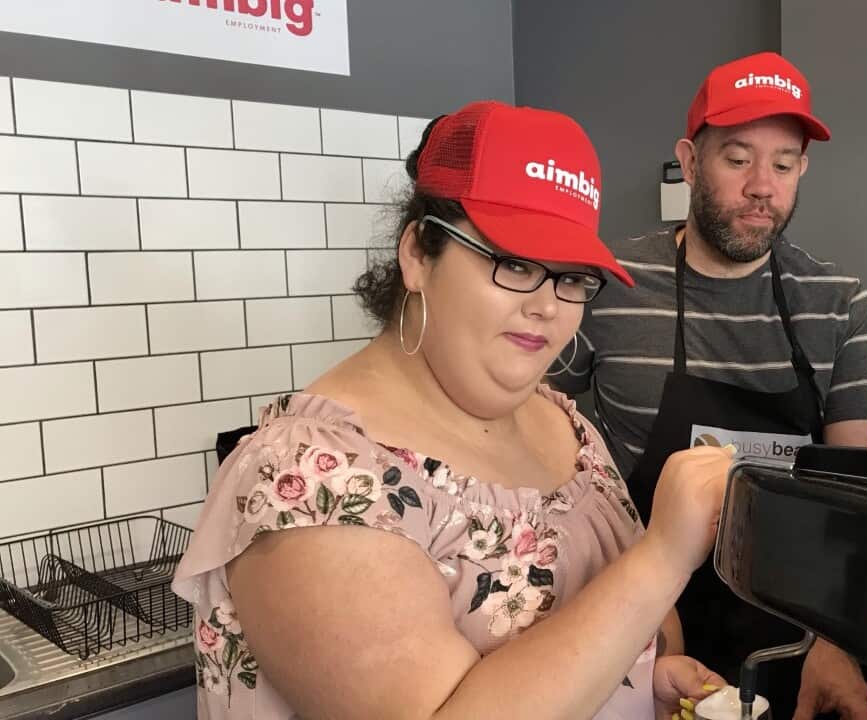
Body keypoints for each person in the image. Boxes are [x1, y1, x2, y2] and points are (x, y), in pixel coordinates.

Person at [171, 100, 735, 720]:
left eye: (572, 277)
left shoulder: (566, 427)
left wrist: (641, 682)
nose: (549, 306)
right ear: (418, 254)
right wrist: (663, 556)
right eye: (515, 264)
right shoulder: (312, 480)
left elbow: (628, 640)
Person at [551, 53, 867, 720]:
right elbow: (523, 428)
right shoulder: (606, 288)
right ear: (691, 159)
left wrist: (835, 643)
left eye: (784, 164)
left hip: (798, 637)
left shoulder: (840, 303)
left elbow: (859, 500)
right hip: (637, 629)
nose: (763, 185)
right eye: (737, 159)